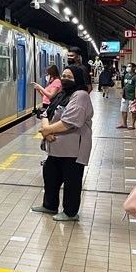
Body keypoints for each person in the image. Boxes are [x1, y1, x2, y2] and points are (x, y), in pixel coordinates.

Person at [30, 66, 93, 221]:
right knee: (50, 175)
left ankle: (70, 212)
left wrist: (47, 131)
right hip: (56, 148)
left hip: (73, 149)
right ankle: (50, 206)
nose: (65, 79)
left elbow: (70, 121)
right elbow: (46, 112)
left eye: (69, 76)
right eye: (64, 75)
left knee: (72, 181)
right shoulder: (63, 94)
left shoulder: (81, 96)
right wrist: (47, 130)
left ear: (78, 78)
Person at [118, 63, 136, 129]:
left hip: (132, 96)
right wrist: (122, 93)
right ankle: (124, 124)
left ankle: (133, 124)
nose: (128, 67)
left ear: (134, 68)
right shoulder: (126, 75)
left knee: (133, 111)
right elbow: (124, 85)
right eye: (128, 66)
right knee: (123, 110)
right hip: (125, 96)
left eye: (130, 66)